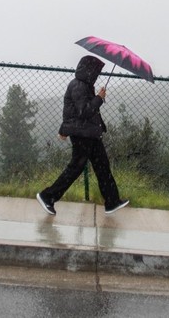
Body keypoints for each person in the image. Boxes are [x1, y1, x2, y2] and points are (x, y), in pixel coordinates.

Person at [37, 55, 129, 216]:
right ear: (88, 70)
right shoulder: (79, 86)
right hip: (82, 134)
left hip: (90, 133)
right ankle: (47, 196)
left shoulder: (84, 85)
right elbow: (84, 111)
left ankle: (112, 201)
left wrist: (97, 98)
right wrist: (99, 99)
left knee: (102, 167)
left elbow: (75, 111)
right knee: (76, 167)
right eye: (95, 71)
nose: (97, 74)